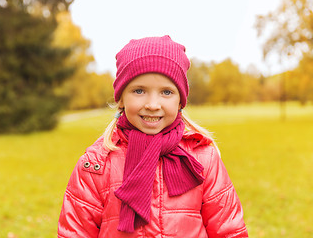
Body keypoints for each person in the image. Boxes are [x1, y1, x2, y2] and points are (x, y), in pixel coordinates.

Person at [58, 35, 248, 237]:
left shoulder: (203, 158)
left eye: (166, 92)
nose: (152, 104)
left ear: (180, 102)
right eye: (139, 90)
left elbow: (229, 230)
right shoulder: (97, 165)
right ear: (121, 99)